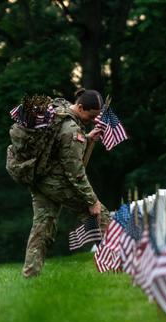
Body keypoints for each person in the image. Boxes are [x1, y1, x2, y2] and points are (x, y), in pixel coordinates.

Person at [22, 88, 111, 278]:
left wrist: (87, 139)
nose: (94, 120)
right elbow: (75, 172)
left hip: (40, 180)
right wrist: (91, 200)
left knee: (42, 228)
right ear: (80, 107)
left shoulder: (60, 111)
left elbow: (60, 150)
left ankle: (31, 275)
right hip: (56, 183)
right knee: (101, 216)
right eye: (91, 115)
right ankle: (124, 263)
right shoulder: (71, 129)